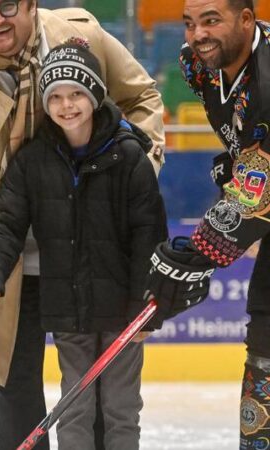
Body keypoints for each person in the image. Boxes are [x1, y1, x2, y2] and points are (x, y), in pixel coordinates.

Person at [0, 1, 166, 448]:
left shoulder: (83, 36)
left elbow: (143, 99)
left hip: (91, 249)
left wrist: (126, 176)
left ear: (32, 4)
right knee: (14, 384)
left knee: (97, 391)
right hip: (8, 252)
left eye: (7, 5)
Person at [143, 1, 270, 448]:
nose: (197, 34)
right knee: (265, 330)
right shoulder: (196, 64)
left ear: (247, 20)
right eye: (190, 23)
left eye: (211, 20)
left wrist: (195, 254)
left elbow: (260, 183)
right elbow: (247, 153)